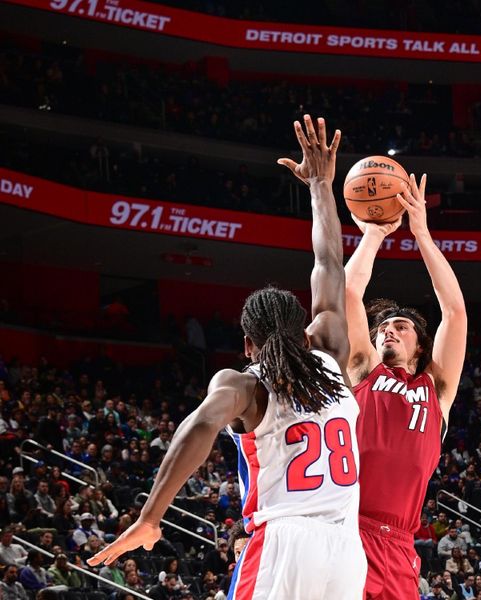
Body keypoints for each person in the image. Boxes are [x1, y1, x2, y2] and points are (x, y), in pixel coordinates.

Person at [89, 115, 367, 599]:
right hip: (346, 550)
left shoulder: (245, 385)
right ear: (303, 331)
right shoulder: (330, 350)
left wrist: (150, 516)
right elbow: (328, 263)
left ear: (247, 344)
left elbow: (198, 426)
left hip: (285, 541)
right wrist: (321, 184)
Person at [345, 170, 467, 598]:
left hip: (398, 543)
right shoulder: (362, 371)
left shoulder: (437, 389)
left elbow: (454, 312)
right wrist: (374, 234)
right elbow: (347, 292)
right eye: (383, 329)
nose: (389, 332)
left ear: (420, 345)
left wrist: (421, 233)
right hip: (344, 529)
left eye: (401, 327)